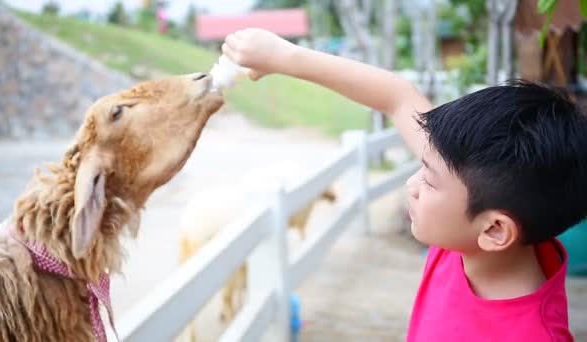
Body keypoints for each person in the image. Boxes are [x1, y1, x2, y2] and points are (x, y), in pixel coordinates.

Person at [222, 28, 587, 341]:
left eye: (427, 179)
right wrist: (281, 56)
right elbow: (397, 96)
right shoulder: (475, 215)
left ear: (494, 229)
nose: (413, 184)